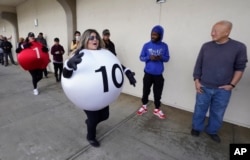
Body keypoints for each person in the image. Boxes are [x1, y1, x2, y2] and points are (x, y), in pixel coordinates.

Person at [63, 29, 136, 147]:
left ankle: (90, 123)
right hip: (86, 96)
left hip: (103, 95)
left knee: (105, 116)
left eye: (96, 37)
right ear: (85, 40)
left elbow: (115, 64)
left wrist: (127, 72)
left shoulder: (104, 53)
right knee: (93, 118)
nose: (95, 40)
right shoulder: (79, 54)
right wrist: (69, 65)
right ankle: (90, 136)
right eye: (91, 38)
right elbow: (67, 75)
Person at [191, 20, 248, 143]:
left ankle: (212, 131)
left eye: (215, 31)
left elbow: (240, 68)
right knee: (199, 109)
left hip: (223, 90)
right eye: (212, 30)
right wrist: (196, 80)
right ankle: (196, 128)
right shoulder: (206, 46)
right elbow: (198, 65)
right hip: (204, 86)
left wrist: (232, 85)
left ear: (227, 32)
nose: (212, 33)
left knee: (218, 112)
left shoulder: (239, 47)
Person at [137, 25, 170, 119]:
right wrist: (149, 57)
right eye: (152, 34)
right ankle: (144, 106)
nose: (153, 36)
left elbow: (167, 59)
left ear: (160, 35)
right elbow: (141, 57)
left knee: (157, 92)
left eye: (155, 34)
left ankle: (157, 109)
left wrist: (160, 57)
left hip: (158, 75)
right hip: (148, 74)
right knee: (145, 90)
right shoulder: (146, 45)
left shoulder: (164, 46)